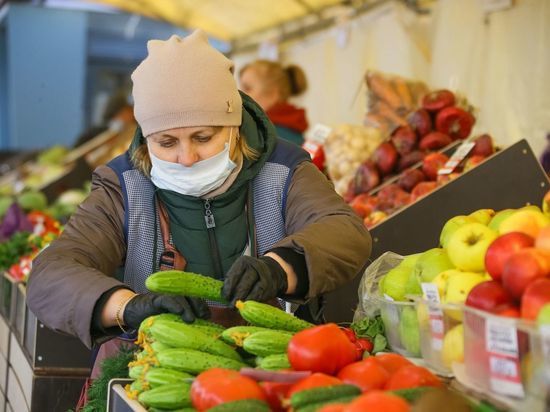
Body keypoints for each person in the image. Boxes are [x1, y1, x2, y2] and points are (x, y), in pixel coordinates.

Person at [26, 30, 371, 352]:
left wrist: (280, 268)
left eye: (203, 138)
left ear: (234, 127)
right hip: (153, 368)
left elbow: (344, 231)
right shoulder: (123, 187)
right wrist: (128, 307)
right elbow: (51, 275)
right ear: (146, 140)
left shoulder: (282, 168)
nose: (187, 158)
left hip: (274, 358)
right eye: (166, 142)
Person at [239, 59, 309, 146]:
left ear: (272, 94)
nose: (239, 94)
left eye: (247, 88)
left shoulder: (265, 136)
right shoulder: (292, 126)